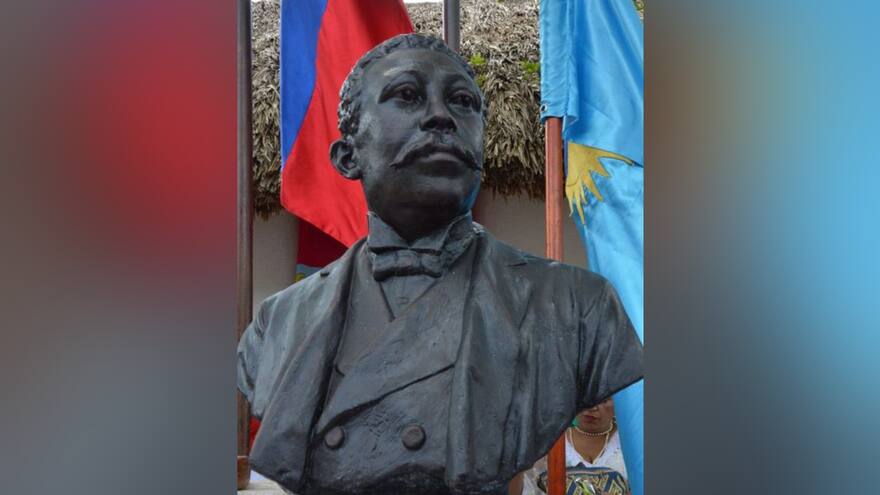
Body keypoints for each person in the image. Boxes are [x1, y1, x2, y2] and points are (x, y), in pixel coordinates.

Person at [236, 33, 643, 495]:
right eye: (406, 95)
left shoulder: (578, 309)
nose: (440, 116)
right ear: (348, 157)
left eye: (462, 102)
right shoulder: (278, 323)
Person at [512, 399, 630, 495]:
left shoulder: (631, 443)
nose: (592, 408)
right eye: (585, 397)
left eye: (603, 400)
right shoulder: (546, 442)